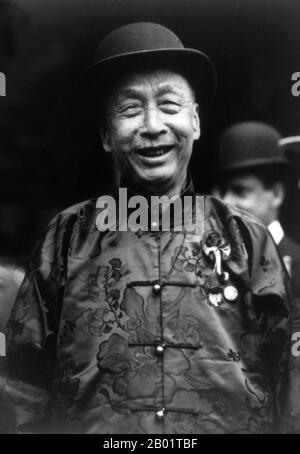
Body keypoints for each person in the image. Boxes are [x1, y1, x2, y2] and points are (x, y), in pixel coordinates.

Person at [1, 23, 299, 434]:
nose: (153, 125)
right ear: (107, 135)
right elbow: (22, 384)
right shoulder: (67, 238)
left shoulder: (246, 239)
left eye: (170, 106)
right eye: (129, 109)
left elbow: (291, 381)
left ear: (195, 122)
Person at [214, 121, 300, 297]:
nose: (225, 201)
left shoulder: (298, 266)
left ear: (276, 194)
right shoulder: (213, 264)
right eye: (223, 191)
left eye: (240, 191)